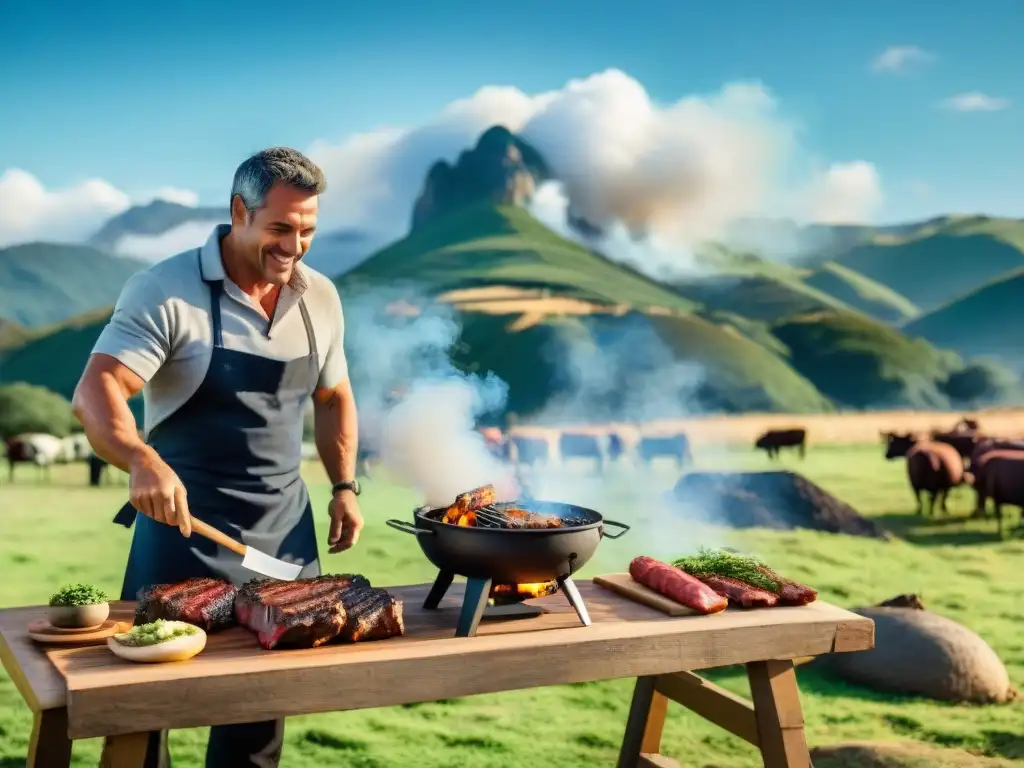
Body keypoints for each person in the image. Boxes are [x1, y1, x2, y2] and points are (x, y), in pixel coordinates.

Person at [71, 147, 364, 767]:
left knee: (257, 722)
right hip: (182, 533)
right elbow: (97, 390)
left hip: (283, 539)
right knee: (146, 713)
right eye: (281, 228)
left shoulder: (322, 298)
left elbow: (334, 396)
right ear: (240, 211)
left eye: (308, 230)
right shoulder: (165, 289)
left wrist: (344, 486)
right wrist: (139, 459)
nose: (295, 247)